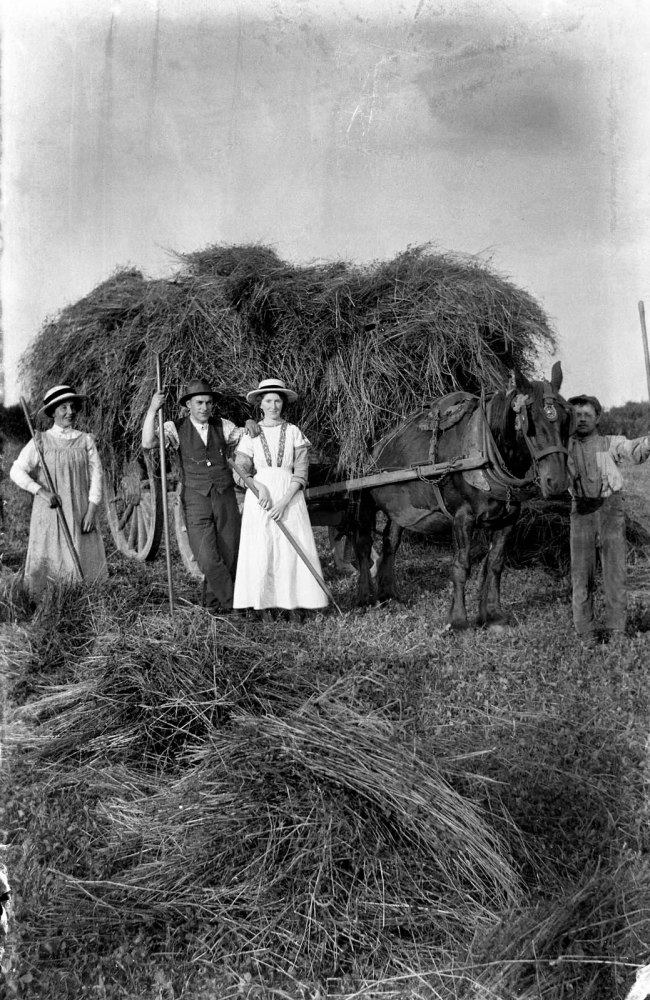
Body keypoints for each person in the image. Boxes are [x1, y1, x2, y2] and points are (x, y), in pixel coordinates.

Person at [142, 379, 258, 614]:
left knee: (229, 553)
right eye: (199, 403)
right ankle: (235, 603)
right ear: (189, 405)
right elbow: (148, 442)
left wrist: (250, 423)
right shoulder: (175, 428)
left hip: (224, 496)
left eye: (208, 403)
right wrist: (153, 409)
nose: (204, 407)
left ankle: (212, 604)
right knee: (206, 557)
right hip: (195, 498)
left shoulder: (223, 425)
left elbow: (248, 437)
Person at [233, 377, 328, 615]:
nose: (273, 406)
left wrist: (285, 501)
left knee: (290, 549)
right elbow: (240, 471)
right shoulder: (251, 435)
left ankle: (292, 604)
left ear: (283, 403)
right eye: (268, 401)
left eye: (277, 401)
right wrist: (258, 486)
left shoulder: (294, 432)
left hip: (290, 495)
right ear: (260, 404)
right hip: (260, 498)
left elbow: (301, 472)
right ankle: (263, 604)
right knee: (261, 547)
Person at [9, 384, 109, 599]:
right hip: (50, 512)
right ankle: (49, 603)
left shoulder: (85, 440)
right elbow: (16, 471)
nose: (69, 412)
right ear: (52, 412)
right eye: (63, 407)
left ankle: (84, 603)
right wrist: (41, 491)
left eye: (72, 406)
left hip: (81, 511)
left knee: (83, 558)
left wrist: (92, 509)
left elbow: (97, 476)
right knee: (52, 558)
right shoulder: (40, 441)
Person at [567, 393, 650, 646]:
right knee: (581, 574)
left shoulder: (611, 442)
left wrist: (647, 442)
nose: (582, 419)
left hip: (611, 510)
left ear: (598, 418)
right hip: (581, 511)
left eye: (587, 414)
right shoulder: (565, 447)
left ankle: (616, 629)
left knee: (615, 573)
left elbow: (633, 450)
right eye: (577, 415)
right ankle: (586, 631)